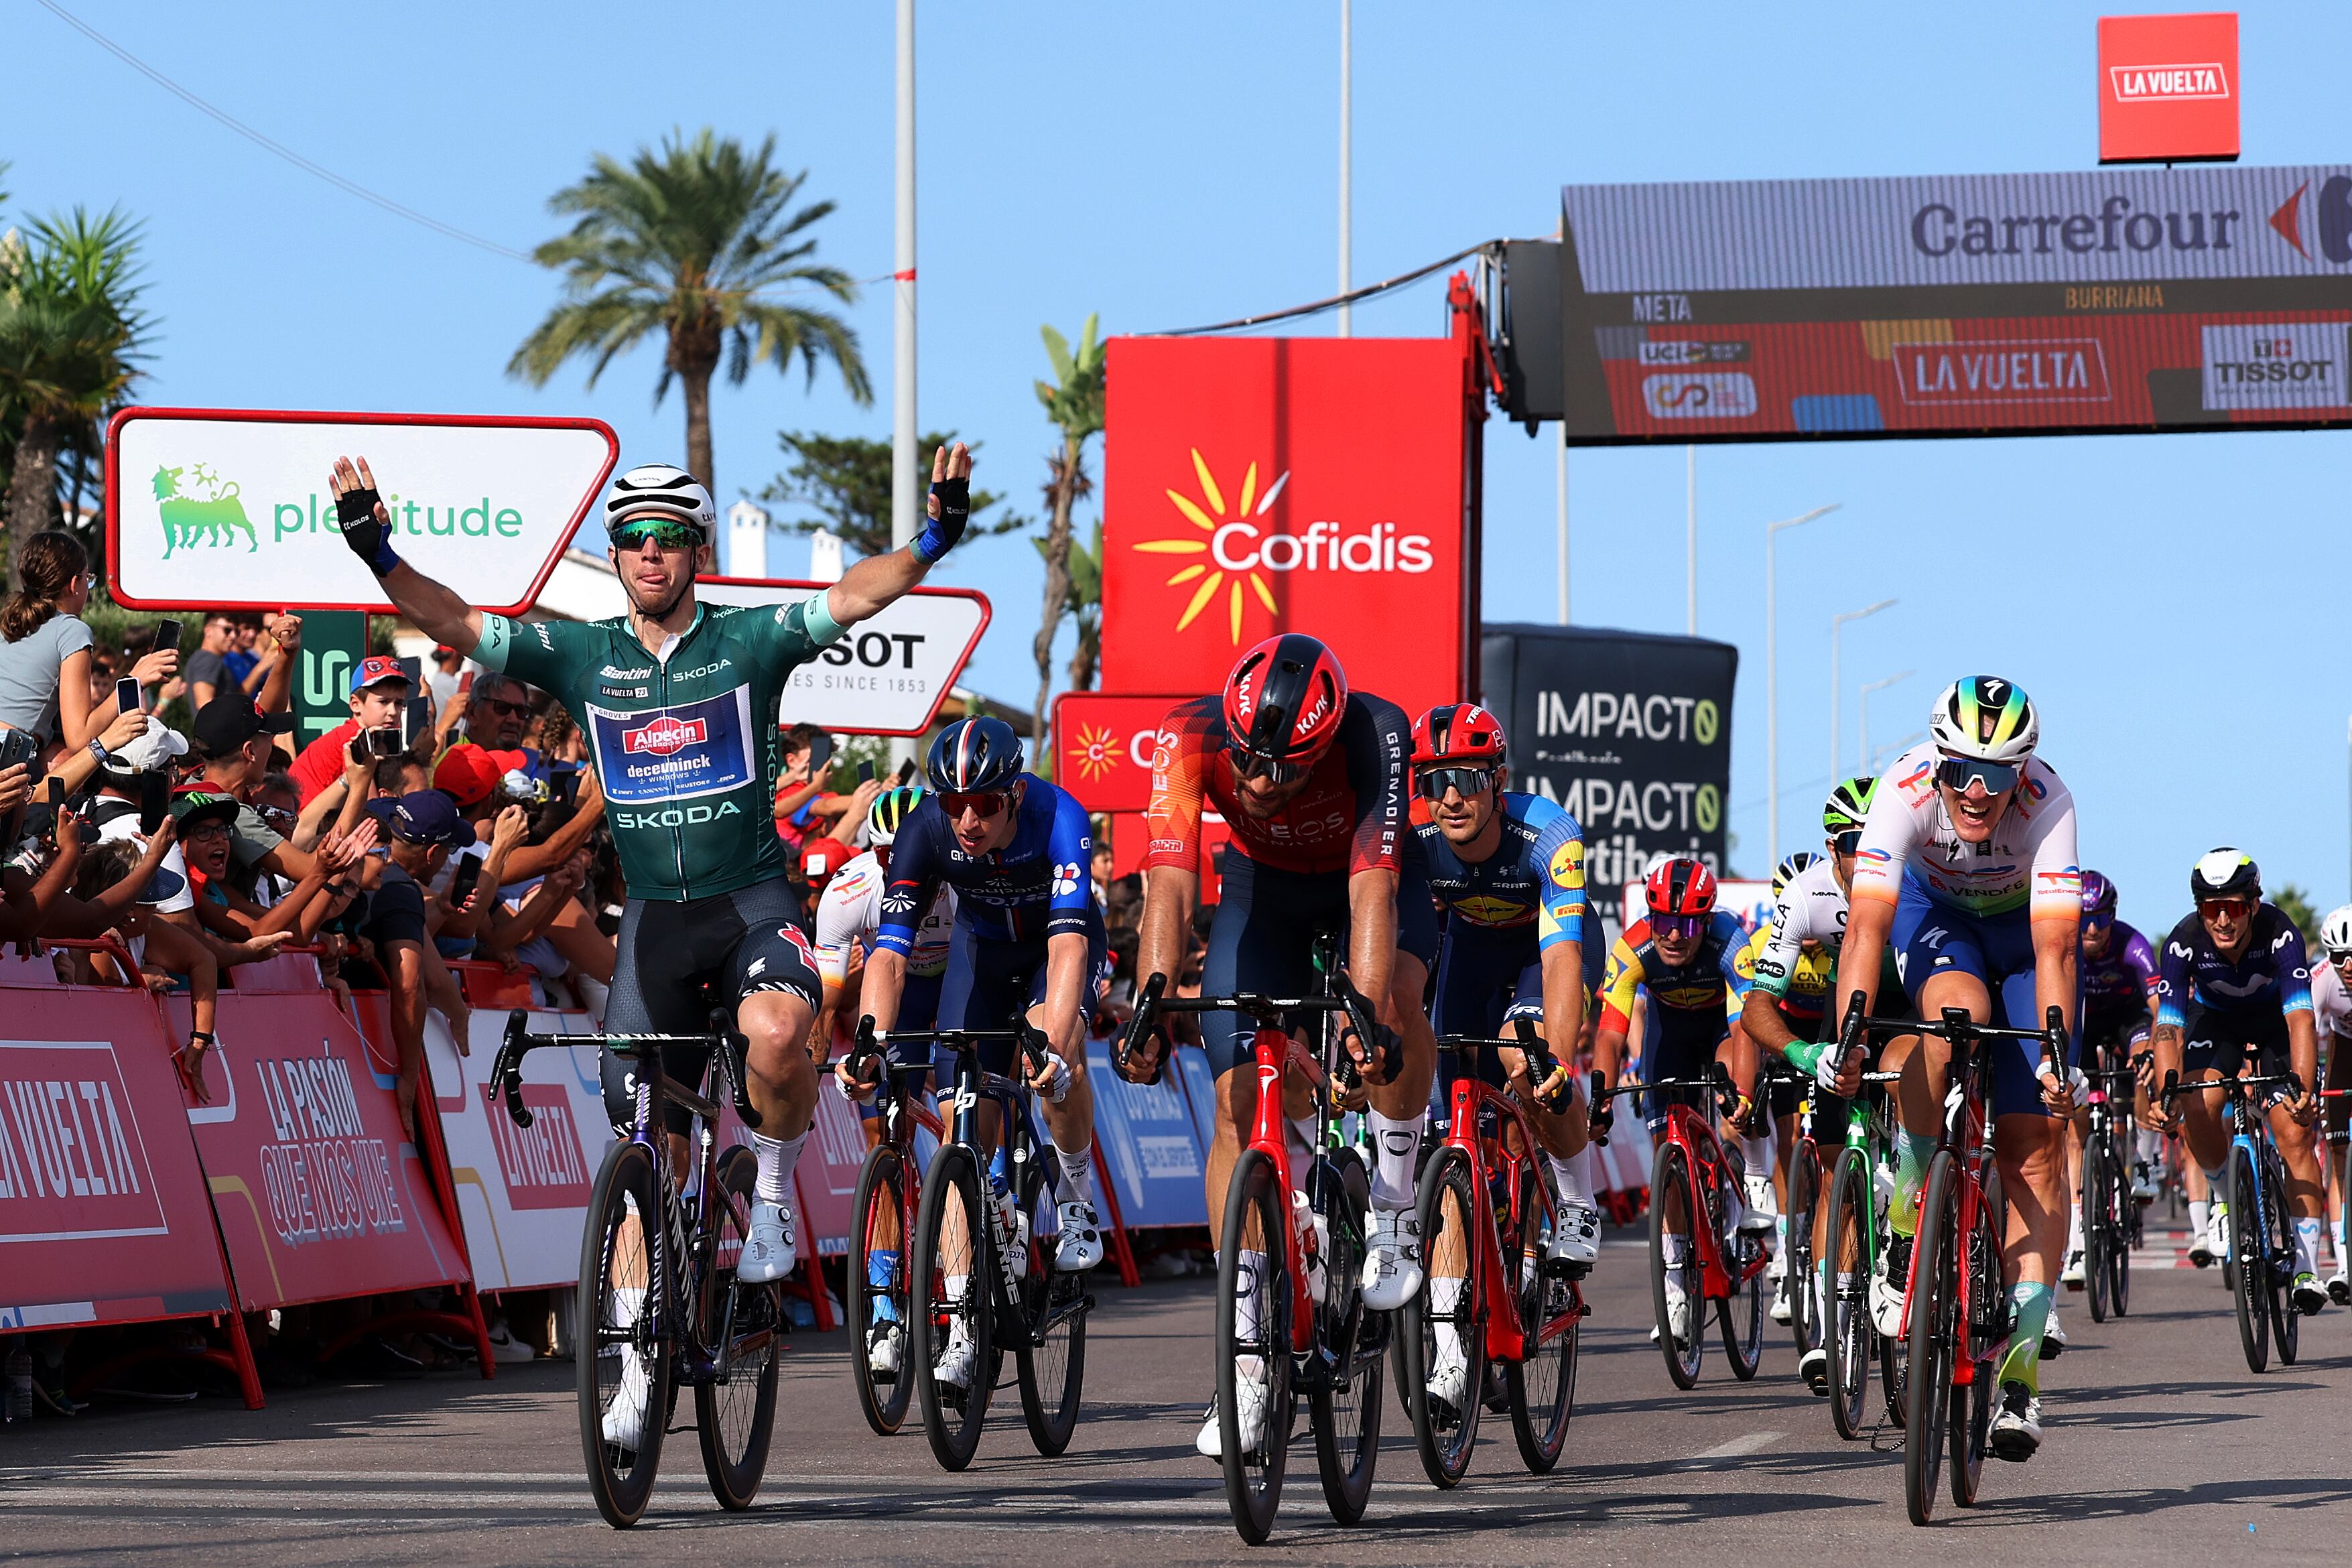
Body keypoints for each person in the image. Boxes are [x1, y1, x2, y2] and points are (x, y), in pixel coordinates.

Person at [333, 440, 976, 1452]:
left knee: (775, 1033)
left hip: (750, 903)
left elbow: (854, 595)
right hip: (656, 932)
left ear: (697, 551)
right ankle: (636, 1364)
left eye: (668, 538)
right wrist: (376, 552)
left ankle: (767, 1199)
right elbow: (456, 622)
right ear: (616, 551)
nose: (648, 554)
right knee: (641, 1156)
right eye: (631, 539)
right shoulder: (584, 657)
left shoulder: (750, 642)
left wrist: (933, 537)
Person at [1117, 633, 1438, 1461]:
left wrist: (1365, 1021)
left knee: (1393, 1007)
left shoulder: (1377, 734)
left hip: (1362, 884)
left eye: (1288, 768)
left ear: (1323, 746)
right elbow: (1172, 882)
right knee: (1236, 1104)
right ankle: (1251, 1359)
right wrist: (1151, 1003)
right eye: (1252, 763)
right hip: (1263, 892)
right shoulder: (1189, 737)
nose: (1261, 783)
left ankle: (1397, 1205)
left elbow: (1374, 894)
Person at [1833, 676, 2080, 1463]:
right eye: (1964, 770)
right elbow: (1865, 929)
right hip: (1935, 918)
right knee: (1954, 1018)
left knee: (2035, 1151)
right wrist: (1848, 1040)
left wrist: (2055, 1060)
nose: (1978, 791)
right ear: (1938, 761)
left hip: (2023, 935)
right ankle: (1909, 1203)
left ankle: (2020, 1378)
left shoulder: (2051, 804)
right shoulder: (1903, 791)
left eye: (1999, 774)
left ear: (2023, 774)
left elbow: (2055, 952)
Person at [858, 718, 1110, 1394]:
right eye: (955, 805)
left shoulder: (1061, 817)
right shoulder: (924, 829)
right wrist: (869, 1038)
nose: (969, 821)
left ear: (1015, 797)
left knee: (1053, 1058)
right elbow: (890, 952)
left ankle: (1077, 1196)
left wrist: (1053, 1045)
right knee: (960, 1140)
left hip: (1056, 952)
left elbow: (1068, 950)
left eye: (986, 805)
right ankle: (965, 1321)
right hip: (980, 957)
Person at [1406, 701, 1597, 1418]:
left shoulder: (1547, 834)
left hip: (1541, 955)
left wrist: (1557, 1053)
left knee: (1527, 1059)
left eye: (1464, 777)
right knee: (1458, 1150)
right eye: (1433, 780)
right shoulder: (1422, 843)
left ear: (1498, 780)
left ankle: (1575, 1201)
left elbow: (1564, 956)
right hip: (1467, 959)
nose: (1449, 796)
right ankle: (1452, 1356)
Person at [1741, 779, 1897, 1362]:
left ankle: (1912, 1217)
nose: (1874, 854)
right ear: (1834, 849)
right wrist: (1808, 1055)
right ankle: (1837, 1328)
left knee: (1916, 1089)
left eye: (1883, 840)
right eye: (1859, 843)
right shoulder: (1805, 895)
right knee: (1836, 1174)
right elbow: (1758, 1005)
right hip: (1845, 1011)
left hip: (1908, 1004)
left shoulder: (1914, 881)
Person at [2146, 851, 2327, 1316]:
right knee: (2196, 1101)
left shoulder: (2282, 934)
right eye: (2210, 908)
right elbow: (2168, 1028)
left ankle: (2307, 1266)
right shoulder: (2183, 943)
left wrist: (2303, 1090)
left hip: (2274, 1024)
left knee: (2293, 1131)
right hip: (2216, 1024)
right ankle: (2224, 1198)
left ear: (2253, 904)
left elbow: (2302, 1020)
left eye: (2234, 907)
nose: (2222, 919)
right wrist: (2167, 1093)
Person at [1594, 855, 1764, 1346]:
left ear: (1706, 920)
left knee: (1734, 1084)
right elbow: (1609, 1033)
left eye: (1688, 923)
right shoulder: (1633, 947)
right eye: (1665, 922)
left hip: (1721, 1032)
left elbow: (1745, 1029)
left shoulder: (1731, 943)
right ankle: (1675, 1286)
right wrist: (1601, 1098)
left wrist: (1744, 1097)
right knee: (1666, 1157)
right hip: (1669, 1038)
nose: (1674, 935)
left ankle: (1745, 1186)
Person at [816, 785, 955, 1378]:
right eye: (885, 855)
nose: (902, 868)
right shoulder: (848, 893)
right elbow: (826, 1002)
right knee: (885, 1138)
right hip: (896, 989)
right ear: (870, 853)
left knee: (962, 1126)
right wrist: (814, 1060)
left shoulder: (961, 881)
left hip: (958, 985)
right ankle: (883, 1314)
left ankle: (992, 1202)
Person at [0, 531, 176, 754]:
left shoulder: (10, 623)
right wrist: (135, 679)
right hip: (9, 754)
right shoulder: (72, 630)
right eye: (88, 579)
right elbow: (81, 738)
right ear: (74, 584)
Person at [2069, 869, 2163, 1286]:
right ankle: (2077, 1229)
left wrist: (2158, 1049)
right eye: (2084, 917)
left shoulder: (2132, 944)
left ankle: (2143, 1161)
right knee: (2071, 1108)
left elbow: (2160, 1005)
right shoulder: (2065, 943)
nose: (2092, 928)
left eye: (2101, 919)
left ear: (2113, 917)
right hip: (2084, 1024)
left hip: (2128, 1020)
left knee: (2146, 1060)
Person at [287, 656, 411, 805]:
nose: (393, 711)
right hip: (302, 821)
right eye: (383, 702)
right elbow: (373, 809)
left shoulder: (374, 735)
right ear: (355, 705)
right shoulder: (353, 739)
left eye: (399, 703)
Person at [2308, 905, 2352, 1301]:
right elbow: (2304, 1030)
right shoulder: (2322, 978)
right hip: (2342, 1052)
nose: (2349, 965)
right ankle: (2344, 1266)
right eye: (2340, 957)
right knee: (2338, 1158)